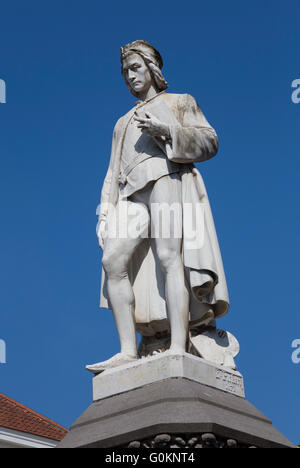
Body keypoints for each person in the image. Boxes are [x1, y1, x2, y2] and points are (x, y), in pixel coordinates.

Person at [86, 41, 229, 373]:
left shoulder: (179, 101)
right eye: (124, 72)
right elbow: (112, 171)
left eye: (134, 68)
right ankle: (126, 351)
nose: (129, 76)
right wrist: (104, 213)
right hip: (130, 195)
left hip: (166, 178)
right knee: (112, 261)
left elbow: (210, 141)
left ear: (151, 68)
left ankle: (179, 346)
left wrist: (167, 131)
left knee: (169, 259)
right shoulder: (122, 122)